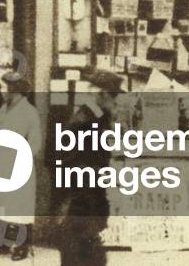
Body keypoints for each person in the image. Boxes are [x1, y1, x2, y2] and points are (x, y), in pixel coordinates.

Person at [55, 67, 124, 266]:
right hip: (83, 200)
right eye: (113, 97)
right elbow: (71, 163)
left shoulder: (97, 117)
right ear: (102, 94)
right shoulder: (84, 122)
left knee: (86, 252)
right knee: (83, 252)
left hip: (89, 199)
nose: (115, 102)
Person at [0, 70, 42, 261]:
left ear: (14, 90)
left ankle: (22, 245)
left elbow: (35, 143)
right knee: (1, 205)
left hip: (18, 165)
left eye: (4, 87)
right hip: (0, 162)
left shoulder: (29, 112)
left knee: (19, 208)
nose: (1, 91)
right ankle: (3, 242)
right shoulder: (3, 109)